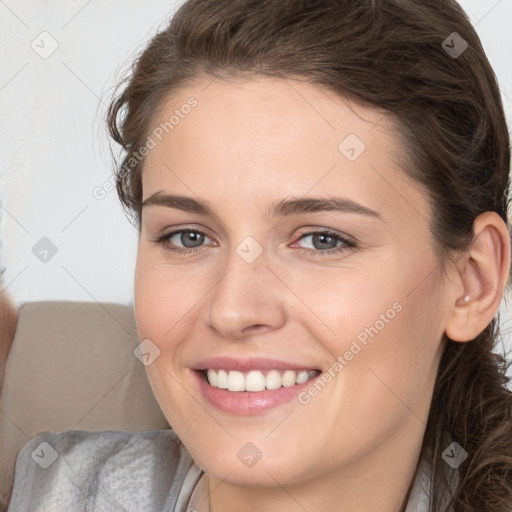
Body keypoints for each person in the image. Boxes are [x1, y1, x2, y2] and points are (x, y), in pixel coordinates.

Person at [6, 0, 512, 510]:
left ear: (473, 281)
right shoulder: (55, 489)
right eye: (188, 236)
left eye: (321, 239)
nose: (232, 310)